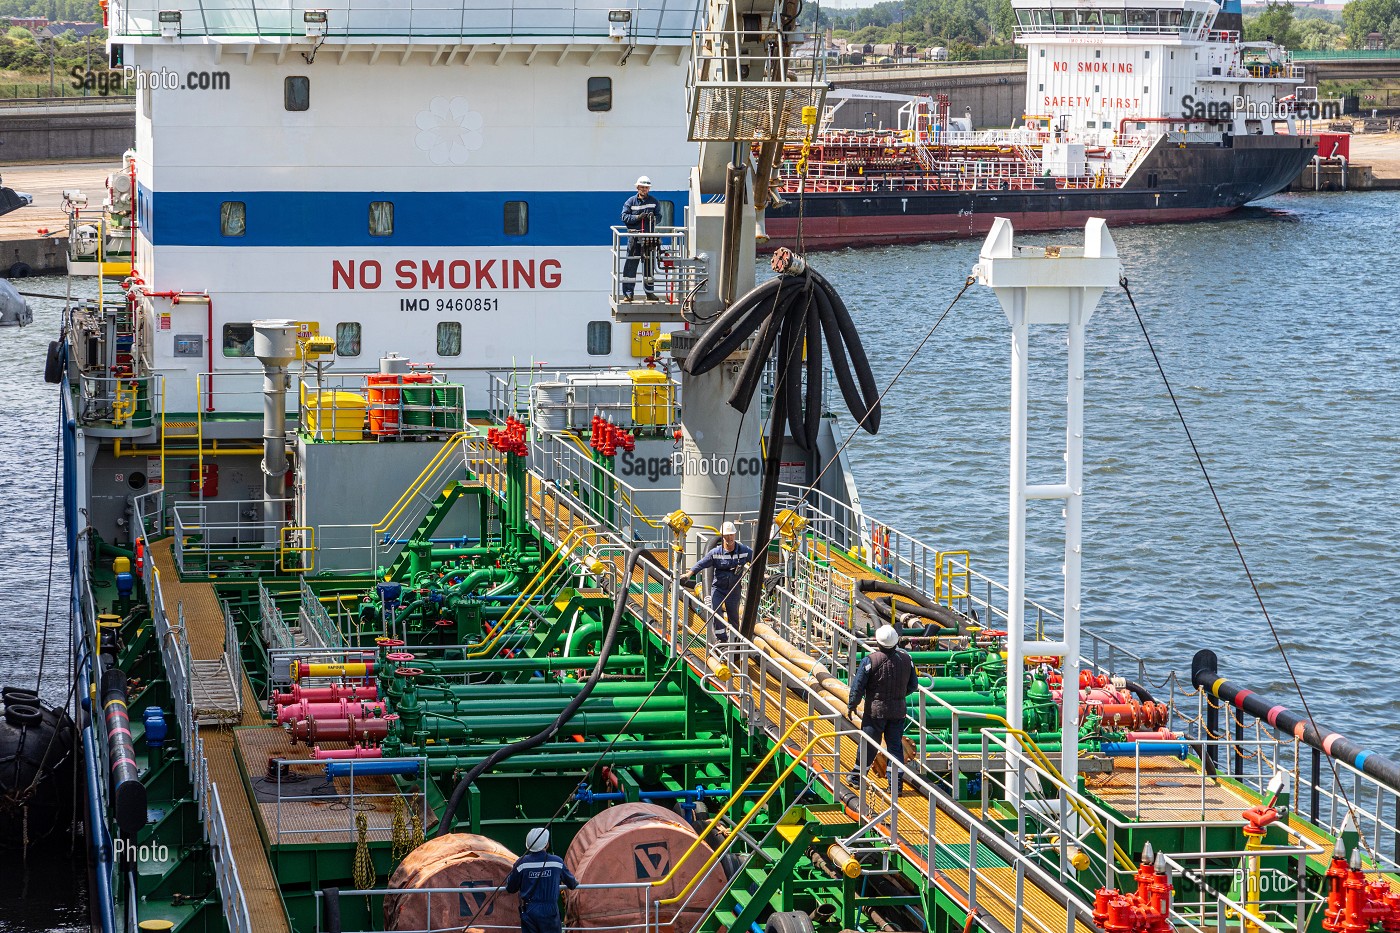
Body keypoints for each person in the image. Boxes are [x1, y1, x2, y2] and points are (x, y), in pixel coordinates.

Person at [846, 624, 919, 780]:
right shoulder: (907, 660)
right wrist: (899, 696)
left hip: (875, 712)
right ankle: (896, 785)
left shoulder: (870, 661)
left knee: (869, 744)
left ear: (878, 643)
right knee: (895, 747)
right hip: (898, 712)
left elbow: (858, 686)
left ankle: (857, 778)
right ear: (896, 642)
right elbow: (913, 685)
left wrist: (852, 705)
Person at [680, 521, 754, 640]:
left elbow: (756, 558)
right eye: (726, 535)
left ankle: (735, 640)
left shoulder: (743, 551)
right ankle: (721, 638)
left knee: (733, 615)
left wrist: (764, 576)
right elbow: (701, 564)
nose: (729, 538)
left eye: (731, 535)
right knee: (715, 611)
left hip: (734, 589)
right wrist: (688, 574)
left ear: (734, 535)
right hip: (719, 588)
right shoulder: (716, 553)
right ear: (722, 536)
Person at [504, 827, 578, 933]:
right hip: (550, 910)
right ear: (546, 845)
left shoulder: (521, 863)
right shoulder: (557, 862)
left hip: (529, 910)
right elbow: (572, 883)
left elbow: (511, 888)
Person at [620, 175, 661, 302]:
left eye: (646, 187)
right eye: (642, 187)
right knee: (631, 266)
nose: (644, 189)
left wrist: (653, 218)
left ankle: (649, 292)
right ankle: (628, 293)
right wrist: (637, 218)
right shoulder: (630, 202)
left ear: (649, 189)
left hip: (648, 238)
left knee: (649, 267)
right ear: (638, 188)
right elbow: (624, 217)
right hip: (634, 237)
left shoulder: (654, 202)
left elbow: (659, 216)